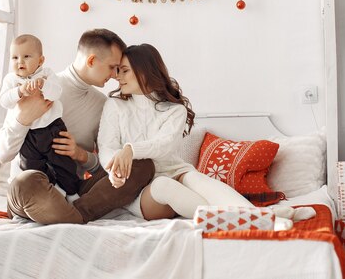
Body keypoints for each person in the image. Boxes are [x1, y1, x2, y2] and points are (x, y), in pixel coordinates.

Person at [98, 44, 316, 225]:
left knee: (200, 180)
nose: (118, 77)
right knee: (163, 185)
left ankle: (262, 217)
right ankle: (253, 219)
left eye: (124, 70)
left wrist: (131, 149)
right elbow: (106, 146)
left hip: (175, 171)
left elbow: (164, 145)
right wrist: (114, 168)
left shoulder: (174, 110)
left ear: (144, 71)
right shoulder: (115, 105)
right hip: (142, 188)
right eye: (117, 71)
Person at [0, 29, 155, 224]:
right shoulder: (38, 86)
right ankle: (76, 216)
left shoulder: (102, 104)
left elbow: (104, 165)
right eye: (112, 67)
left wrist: (80, 155)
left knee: (141, 165)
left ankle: (74, 215)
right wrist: (23, 120)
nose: (115, 75)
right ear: (91, 61)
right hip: (33, 190)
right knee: (25, 184)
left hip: (73, 190)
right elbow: (2, 154)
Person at [0, 34, 78, 198]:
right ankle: (45, 192)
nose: (20, 62)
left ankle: (72, 193)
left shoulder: (47, 74)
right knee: (32, 167)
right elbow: (4, 100)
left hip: (52, 129)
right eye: (15, 57)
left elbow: (56, 93)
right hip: (27, 135)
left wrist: (44, 85)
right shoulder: (11, 80)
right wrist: (20, 91)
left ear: (40, 61)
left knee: (63, 163)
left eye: (26, 56)